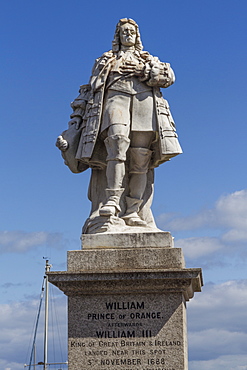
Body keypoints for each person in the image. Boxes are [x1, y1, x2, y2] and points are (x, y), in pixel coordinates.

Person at [56, 18, 182, 233]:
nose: (128, 35)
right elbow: (88, 91)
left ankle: (133, 210)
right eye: (124, 31)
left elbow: (169, 77)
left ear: (137, 35)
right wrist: (75, 122)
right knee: (116, 142)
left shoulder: (148, 59)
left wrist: (144, 70)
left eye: (131, 31)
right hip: (116, 99)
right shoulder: (105, 60)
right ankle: (112, 201)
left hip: (144, 103)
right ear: (118, 36)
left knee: (140, 156)